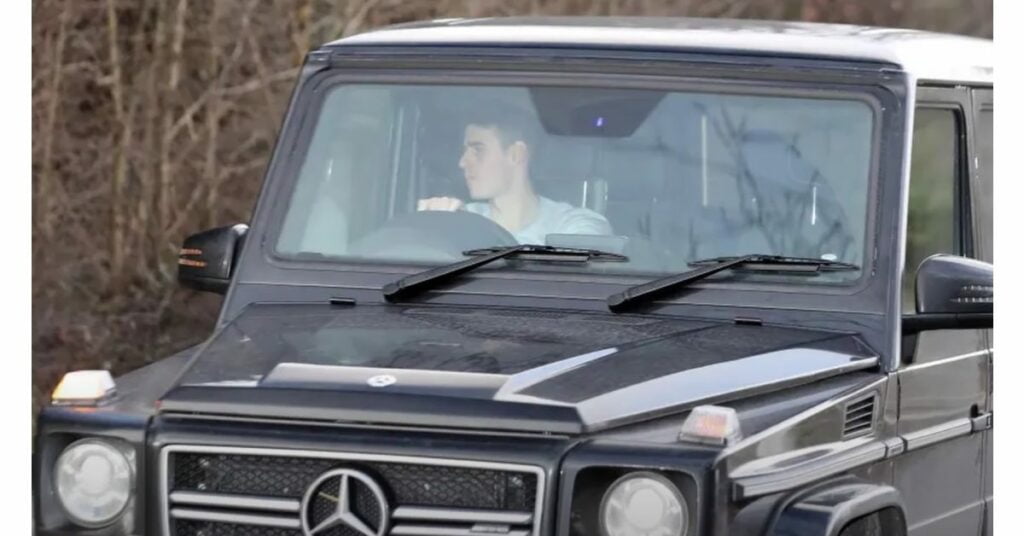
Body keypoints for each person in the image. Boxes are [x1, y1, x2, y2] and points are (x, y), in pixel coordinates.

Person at [417, 105, 612, 245]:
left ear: (516, 154)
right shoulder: (459, 218)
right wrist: (433, 228)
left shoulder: (575, 224)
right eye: (465, 151)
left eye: (477, 150)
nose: (462, 162)